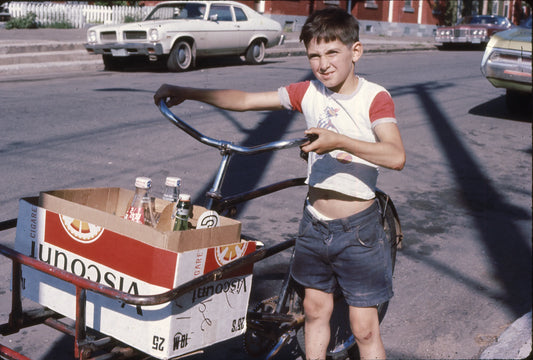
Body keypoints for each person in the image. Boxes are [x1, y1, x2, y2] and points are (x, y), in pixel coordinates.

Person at [154, 6, 405, 360]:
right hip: (315, 224)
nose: (323, 64)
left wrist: (339, 141)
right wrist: (186, 90)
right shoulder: (309, 92)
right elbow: (244, 101)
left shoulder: (374, 97)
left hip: (358, 230)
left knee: (364, 329)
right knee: (315, 311)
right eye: (314, 56)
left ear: (356, 51)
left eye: (333, 52)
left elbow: (395, 155)